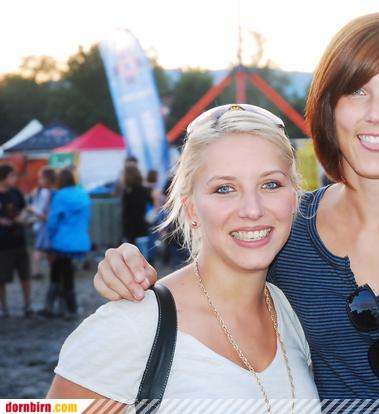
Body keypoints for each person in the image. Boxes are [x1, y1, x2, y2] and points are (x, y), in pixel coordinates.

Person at [93, 12, 379, 399]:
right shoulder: (289, 227)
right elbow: (211, 287)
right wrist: (129, 273)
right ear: (329, 108)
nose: (377, 114)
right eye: (357, 91)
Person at [48, 105, 320, 409]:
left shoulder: (289, 314)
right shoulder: (133, 326)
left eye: (271, 184)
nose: (252, 209)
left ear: (294, 197)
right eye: (224, 188)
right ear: (191, 209)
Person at [46, 168, 91, 316]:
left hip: (62, 241)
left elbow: (53, 221)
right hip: (79, 241)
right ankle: (68, 306)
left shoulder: (60, 196)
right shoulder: (83, 194)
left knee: (57, 272)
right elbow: (87, 219)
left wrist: (50, 236)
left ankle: (56, 307)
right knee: (67, 271)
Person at [0, 164, 32, 317]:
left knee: (25, 276)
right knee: (2, 279)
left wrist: (22, 218)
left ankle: (27, 305)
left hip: (19, 241)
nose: (14, 179)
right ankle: (3, 307)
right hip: (3, 245)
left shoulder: (16, 193)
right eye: (11, 176)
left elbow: (24, 208)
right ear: (3, 177)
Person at [26, 166, 56, 280]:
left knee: (41, 249)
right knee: (44, 249)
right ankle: (39, 271)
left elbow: (38, 208)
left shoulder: (43, 191)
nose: (39, 181)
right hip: (45, 223)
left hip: (42, 223)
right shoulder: (46, 192)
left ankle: (37, 271)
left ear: (47, 179)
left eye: (41, 178)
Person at [120, 164, 153, 257]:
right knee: (144, 256)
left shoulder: (126, 193)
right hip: (142, 227)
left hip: (129, 230)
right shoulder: (145, 190)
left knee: (130, 258)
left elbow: (125, 213)